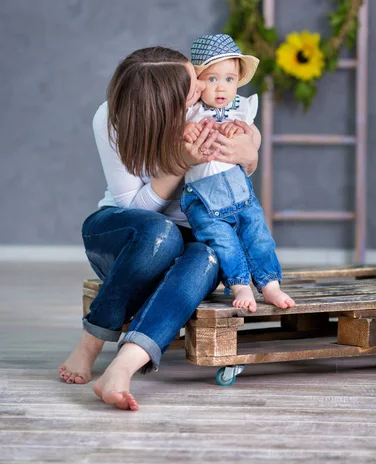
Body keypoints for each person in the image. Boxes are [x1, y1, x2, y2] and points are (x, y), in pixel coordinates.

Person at [59, 46, 260, 410]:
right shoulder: (111, 119)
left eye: (196, 76)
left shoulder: (209, 111)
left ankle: (122, 367)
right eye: (191, 86)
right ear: (166, 104)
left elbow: (242, 161)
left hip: (191, 239)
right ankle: (89, 343)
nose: (202, 85)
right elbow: (130, 207)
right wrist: (181, 163)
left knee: (210, 255)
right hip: (126, 236)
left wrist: (248, 154)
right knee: (160, 234)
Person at [182, 34, 295, 313]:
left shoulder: (241, 109)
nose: (222, 87)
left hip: (240, 190)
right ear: (196, 82)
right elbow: (170, 139)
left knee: (258, 235)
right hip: (203, 197)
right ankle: (239, 285)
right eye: (212, 79)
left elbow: (251, 139)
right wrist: (183, 132)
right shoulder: (188, 111)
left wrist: (243, 132)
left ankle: (270, 285)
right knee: (223, 242)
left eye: (230, 79)